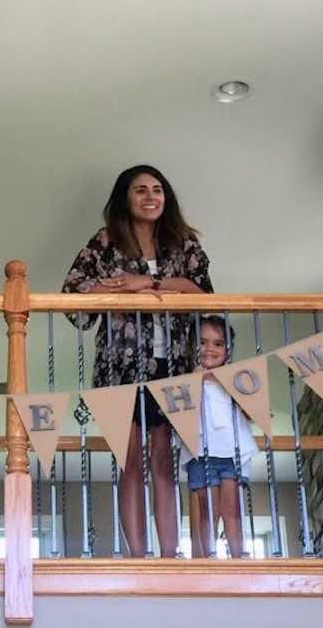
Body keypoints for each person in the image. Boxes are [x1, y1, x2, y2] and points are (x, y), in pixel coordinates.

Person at [62, 164, 213, 557]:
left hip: (174, 363)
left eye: (157, 189)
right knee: (130, 462)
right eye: (141, 190)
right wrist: (112, 292)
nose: (151, 197)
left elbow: (203, 294)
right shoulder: (107, 241)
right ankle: (138, 556)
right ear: (125, 199)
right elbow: (72, 295)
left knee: (164, 461)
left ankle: (168, 555)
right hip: (120, 364)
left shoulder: (183, 244)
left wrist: (147, 283)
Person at [184, 315, 258, 558]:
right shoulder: (185, 381)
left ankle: (238, 557)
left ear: (228, 350)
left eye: (218, 344)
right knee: (206, 511)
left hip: (232, 452)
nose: (209, 349)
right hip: (201, 451)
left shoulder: (238, 378)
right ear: (192, 345)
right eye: (203, 342)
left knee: (232, 509)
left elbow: (252, 411)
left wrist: (226, 382)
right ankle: (209, 558)